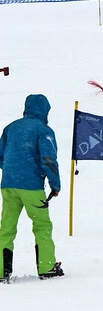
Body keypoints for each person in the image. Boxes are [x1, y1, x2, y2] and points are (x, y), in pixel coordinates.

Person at [0, 94, 64, 283]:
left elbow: (1, 156)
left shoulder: (11, 127)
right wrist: (55, 184)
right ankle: (47, 267)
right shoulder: (43, 130)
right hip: (32, 187)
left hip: (8, 186)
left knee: (6, 228)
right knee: (42, 225)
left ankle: (1, 271)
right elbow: (48, 159)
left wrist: (13, 170)